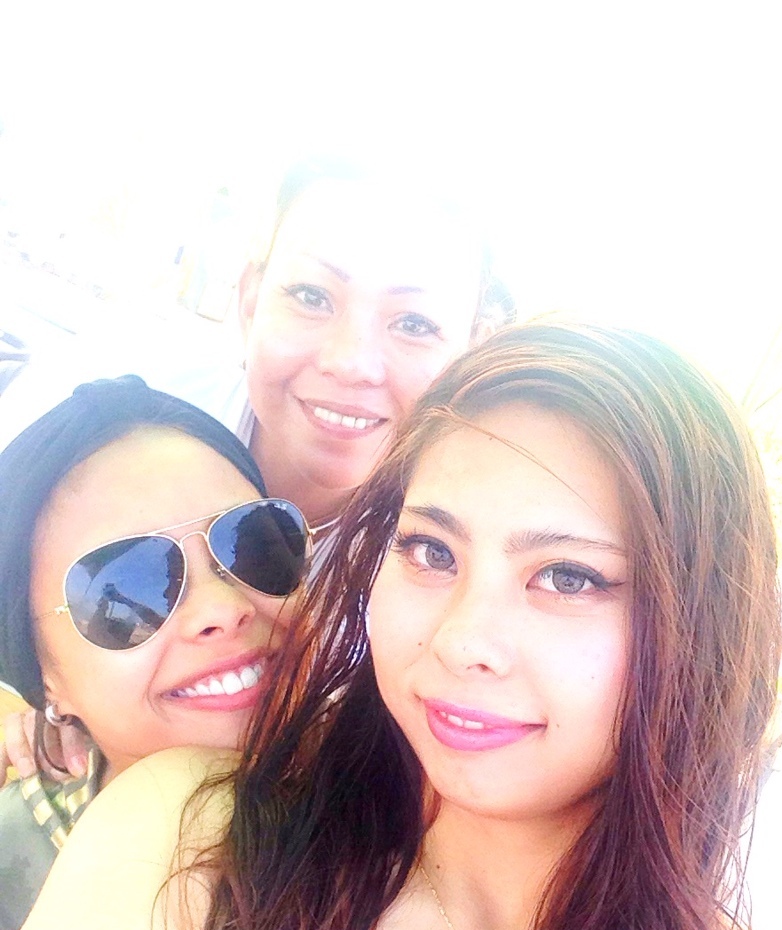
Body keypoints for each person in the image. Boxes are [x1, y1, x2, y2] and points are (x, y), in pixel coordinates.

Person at [3, 323, 782, 930]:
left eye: (568, 576)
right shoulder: (194, 838)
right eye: (432, 552)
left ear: (706, 624)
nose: (460, 640)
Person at [0, 155, 512, 777]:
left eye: (414, 323)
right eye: (311, 296)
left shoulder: (458, 554)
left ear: (470, 352)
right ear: (249, 299)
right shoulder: (99, 408)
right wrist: (25, 685)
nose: (351, 362)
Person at [0, 376, 309, 930]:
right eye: (128, 589)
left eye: (254, 545)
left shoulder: (413, 798)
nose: (223, 608)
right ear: (45, 678)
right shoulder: (16, 867)